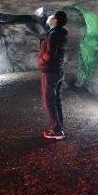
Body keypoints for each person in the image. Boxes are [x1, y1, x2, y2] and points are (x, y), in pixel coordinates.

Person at [38, 11, 68, 139]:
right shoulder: (59, 31)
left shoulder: (54, 34)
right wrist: (41, 16)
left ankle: (56, 130)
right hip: (57, 70)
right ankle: (59, 127)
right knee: (56, 100)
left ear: (55, 21)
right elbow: (48, 28)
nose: (49, 17)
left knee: (49, 101)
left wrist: (41, 61)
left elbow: (50, 53)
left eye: (52, 16)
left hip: (50, 71)